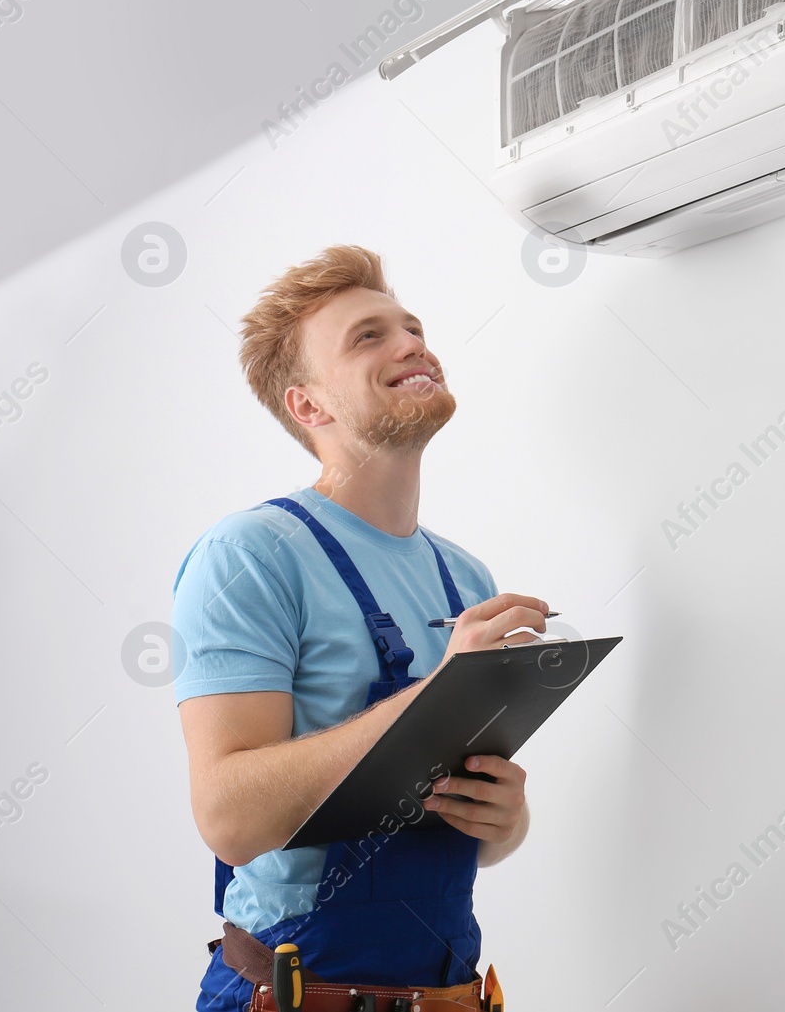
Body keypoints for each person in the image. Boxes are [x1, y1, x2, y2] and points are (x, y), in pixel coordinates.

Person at [171, 245, 543, 1010]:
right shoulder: (252, 555)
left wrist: (505, 820)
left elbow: (474, 829)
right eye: (368, 336)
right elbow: (230, 818)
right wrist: (435, 693)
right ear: (309, 405)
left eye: (411, 327)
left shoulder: (464, 577)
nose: (413, 343)